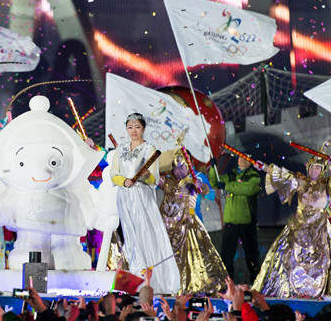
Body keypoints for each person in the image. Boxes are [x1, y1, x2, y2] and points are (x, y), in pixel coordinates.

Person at [102, 113, 181, 294]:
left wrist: (145, 176)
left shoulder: (149, 149)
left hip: (142, 196)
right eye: (130, 127)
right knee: (130, 236)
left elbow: (154, 179)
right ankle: (138, 275)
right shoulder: (120, 149)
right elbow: (114, 174)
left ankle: (155, 280)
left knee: (147, 233)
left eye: (137, 127)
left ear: (143, 128)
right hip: (125, 196)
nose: (133, 130)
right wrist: (124, 181)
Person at [253, 156, 331, 298]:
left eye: (317, 167)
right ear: (308, 168)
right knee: (284, 254)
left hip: (319, 228)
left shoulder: (328, 183)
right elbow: (284, 177)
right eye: (312, 167)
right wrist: (264, 167)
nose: (314, 170)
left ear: (322, 170)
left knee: (323, 259)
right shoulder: (301, 181)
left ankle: (319, 290)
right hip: (299, 227)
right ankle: (287, 289)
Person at [159, 149, 228, 294]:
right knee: (172, 258)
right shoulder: (168, 179)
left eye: (183, 163)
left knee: (195, 258)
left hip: (191, 226)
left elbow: (207, 192)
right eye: (177, 165)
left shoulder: (197, 176)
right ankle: (172, 286)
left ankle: (196, 288)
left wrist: (200, 187)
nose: (180, 168)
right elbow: (154, 183)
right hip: (170, 228)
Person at [210, 151, 261, 281]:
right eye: (240, 158)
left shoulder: (254, 176)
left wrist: (227, 186)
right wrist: (213, 168)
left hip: (246, 222)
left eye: (245, 158)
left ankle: (256, 283)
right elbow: (215, 182)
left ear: (250, 162)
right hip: (230, 221)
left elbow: (247, 189)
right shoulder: (231, 175)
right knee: (226, 256)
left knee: (251, 255)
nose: (241, 160)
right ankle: (228, 284)